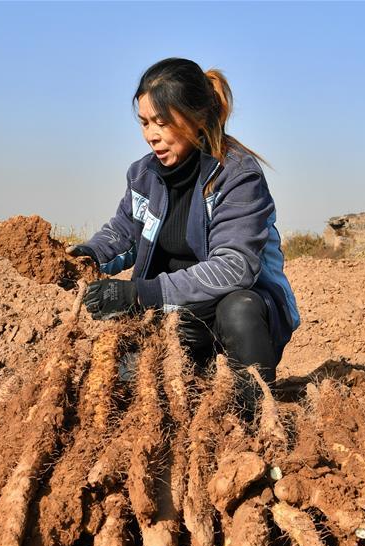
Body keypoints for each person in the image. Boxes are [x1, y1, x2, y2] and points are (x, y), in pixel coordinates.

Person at [68, 57, 299, 402]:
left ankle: (254, 417)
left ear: (197, 118)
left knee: (239, 308)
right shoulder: (142, 175)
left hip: (234, 321)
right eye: (144, 123)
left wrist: (140, 295)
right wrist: (87, 255)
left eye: (161, 122)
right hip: (174, 315)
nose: (150, 135)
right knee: (126, 389)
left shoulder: (237, 175)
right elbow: (123, 233)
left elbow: (234, 266)